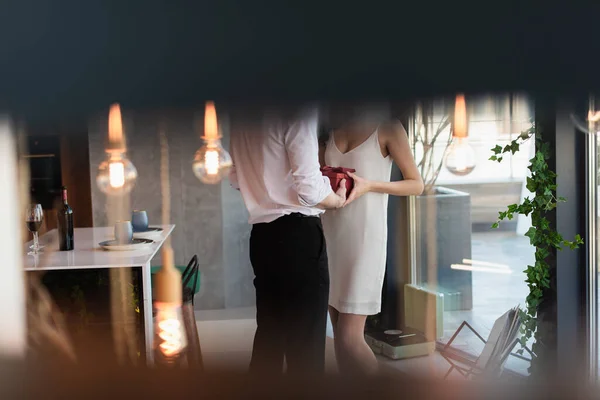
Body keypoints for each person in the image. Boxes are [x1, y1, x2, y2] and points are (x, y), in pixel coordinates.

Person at [228, 105, 347, 375]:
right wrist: (336, 199)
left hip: (262, 237)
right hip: (299, 236)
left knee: (270, 337)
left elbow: (235, 178)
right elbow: (309, 188)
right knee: (305, 346)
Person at [319, 103, 424, 375]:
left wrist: (370, 185)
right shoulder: (329, 129)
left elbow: (416, 183)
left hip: (365, 238)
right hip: (329, 235)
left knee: (348, 338)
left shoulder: (387, 126)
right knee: (339, 339)